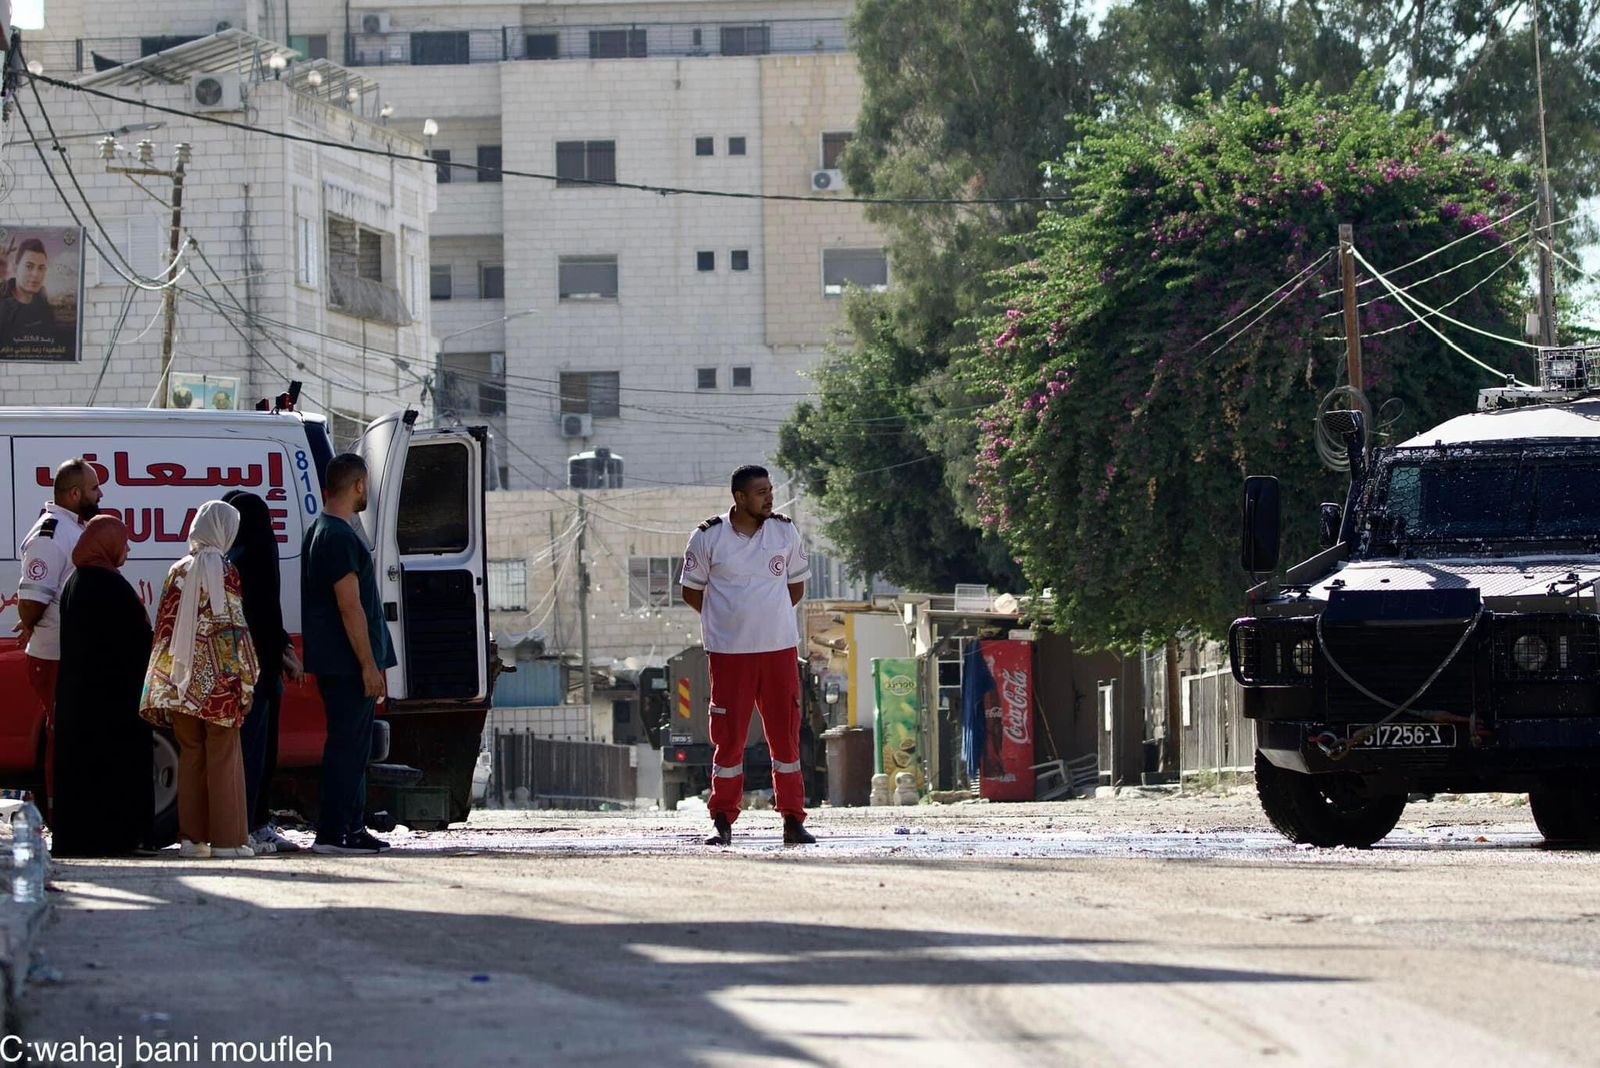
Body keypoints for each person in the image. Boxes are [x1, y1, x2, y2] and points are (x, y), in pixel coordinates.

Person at [680, 464, 814, 846]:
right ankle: (722, 819)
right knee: (730, 739)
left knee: (786, 738)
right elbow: (692, 591)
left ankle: (793, 819)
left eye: (771, 490)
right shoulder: (708, 537)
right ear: (739, 498)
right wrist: (728, 621)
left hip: (779, 651)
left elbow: (795, 587)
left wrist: (765, 618)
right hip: (729, 654)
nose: (769, 497)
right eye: (760, 492)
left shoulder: (784, 530)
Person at [140, 500, 259, 859]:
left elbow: (164, 625)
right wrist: (246, 679)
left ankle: (192, 839)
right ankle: (227, 841)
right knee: (224, 756)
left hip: (179, 680)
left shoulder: (176, 571)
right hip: (218, 683)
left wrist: (159, 680)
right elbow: (232, 629)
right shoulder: (225, 571)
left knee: (191, 756)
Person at [301, 453, 396, 856]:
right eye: (366, 485)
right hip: (347, 664)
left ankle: (351, 827)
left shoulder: (319, 531)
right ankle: (335, 832)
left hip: (340, 662)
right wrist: (367, 665)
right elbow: (349, 605)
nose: (367, 492)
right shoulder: (338, 536)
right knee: (347, 746)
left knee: (353, 745)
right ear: (358, 485)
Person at [52, 516, 154, 857]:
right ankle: (116, 838)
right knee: (113, 770)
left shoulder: (77, 581)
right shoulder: (109, 586)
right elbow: (135, 642)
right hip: (112, 703)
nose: (127, 547)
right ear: (107, 544)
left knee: (82, 772)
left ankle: (82, 839)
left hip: (82, 701)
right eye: (123, 541)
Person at [14, 458, 103, 818]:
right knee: (62, 736)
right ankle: (60, 810)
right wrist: (32, 621)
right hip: (54, 654)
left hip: (68, 652)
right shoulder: (51, 533)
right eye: (95, 488)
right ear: (75, 493)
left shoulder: (70, 528)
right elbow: (32, 601)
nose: (101, 493)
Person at [223, 490, 303, 855]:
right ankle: (253, 825)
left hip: (249, 669)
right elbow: (262, 613)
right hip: (256, 673)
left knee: (250, 753)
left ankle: (248, 823)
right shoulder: (254, 557)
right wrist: (280, 651)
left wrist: (283, 647)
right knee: (256, 753)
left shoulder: (231, 558)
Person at [0, 238, 60, 353]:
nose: (35, 274)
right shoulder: (3, 306)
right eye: (29, 266)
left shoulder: (44, 307)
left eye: (41, 268)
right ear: (16, 267)